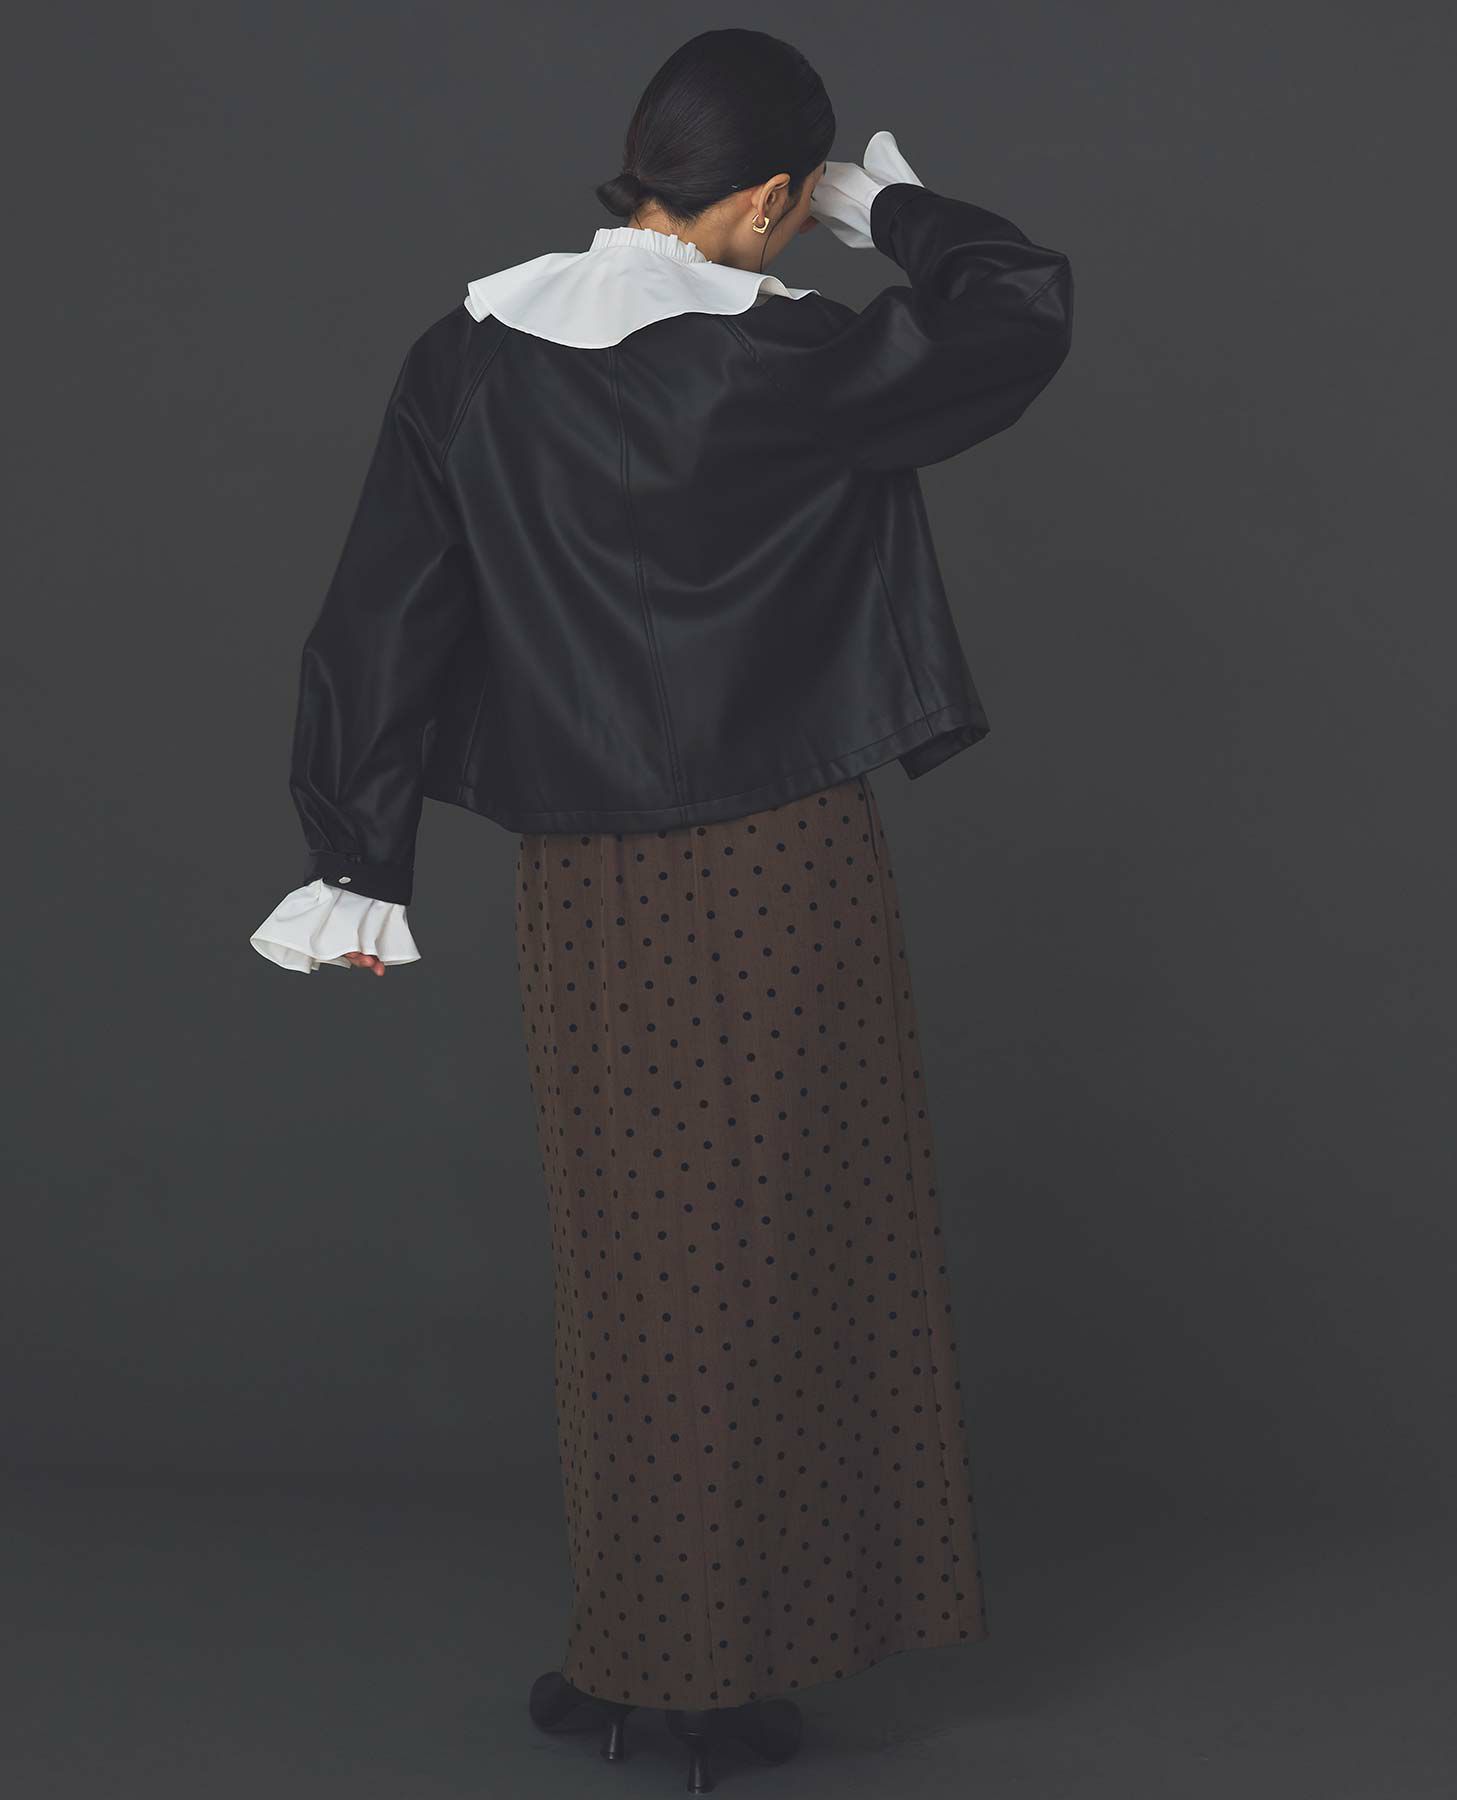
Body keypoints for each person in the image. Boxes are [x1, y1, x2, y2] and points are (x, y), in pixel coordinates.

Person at [249, 25, 1072, 1785]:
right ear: (768, 196)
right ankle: (700, 1674)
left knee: (637, 1263)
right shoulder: (792, 357)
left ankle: (646, 1650)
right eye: (798, 199)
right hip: (781, 864)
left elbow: (383, 610)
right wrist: (893, 213)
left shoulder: (469, 356)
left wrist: (354, 855)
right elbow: (1020, 313)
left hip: (586, 878)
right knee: (774, 1257)